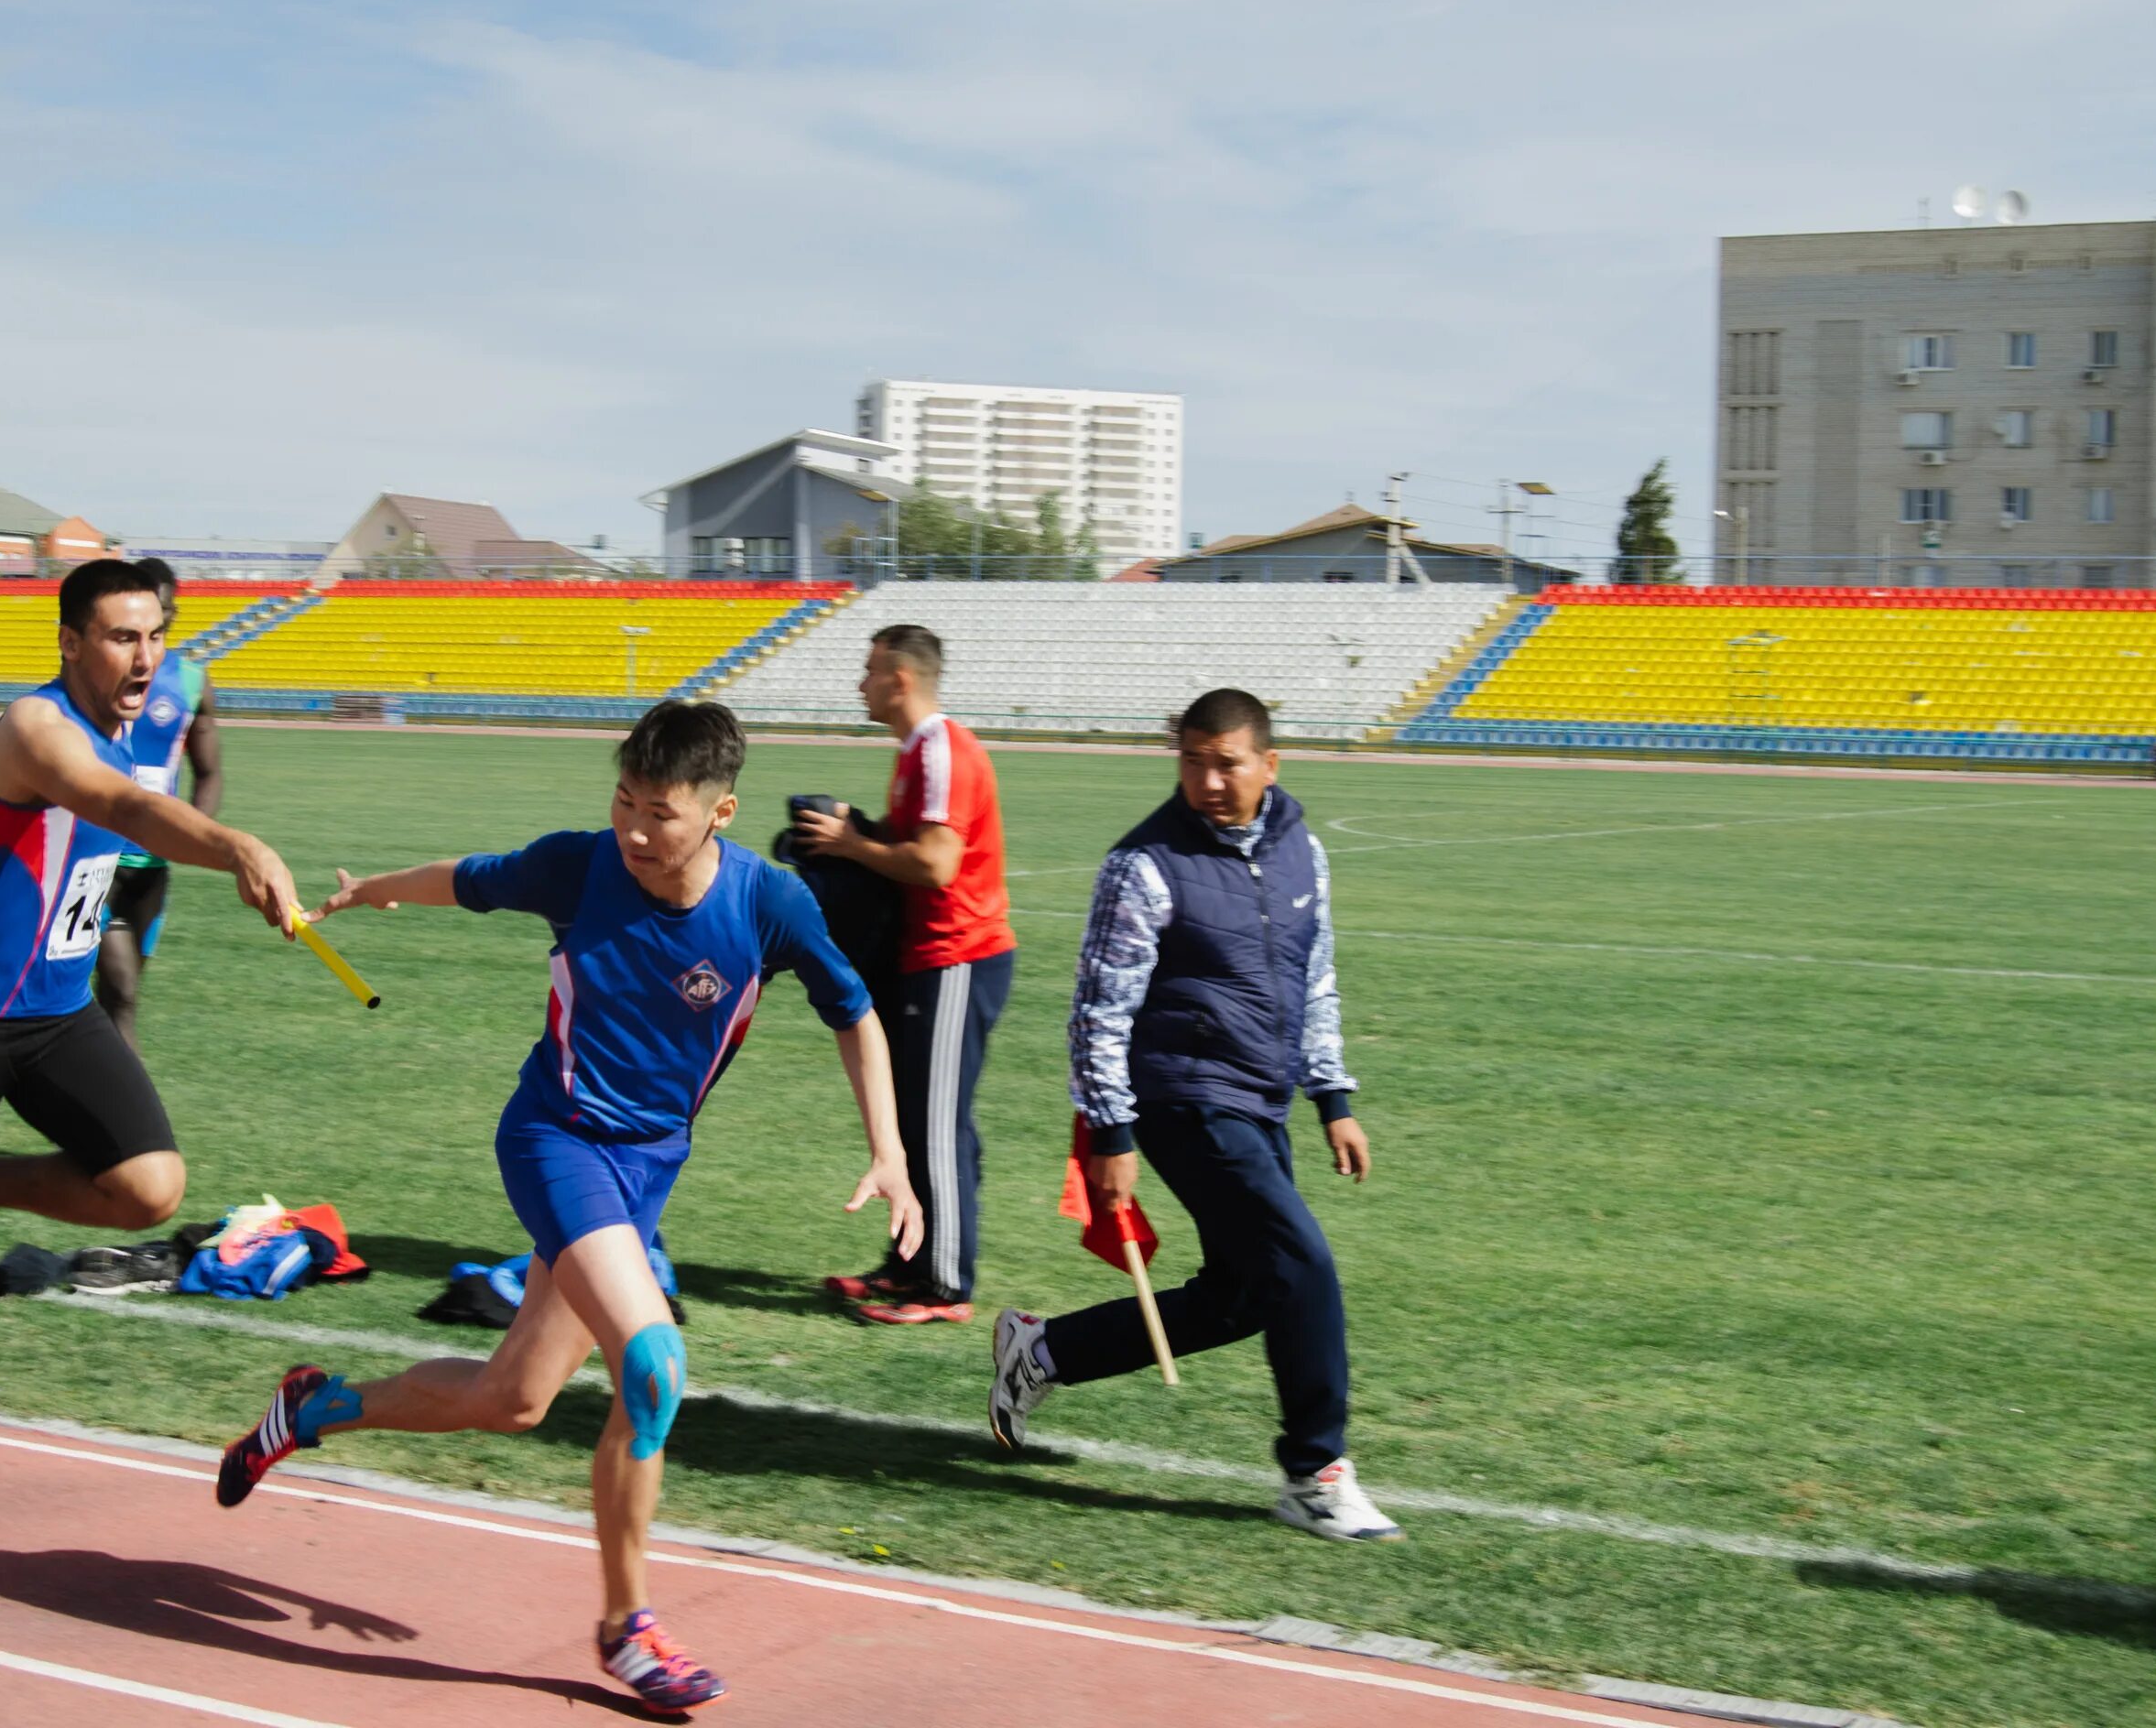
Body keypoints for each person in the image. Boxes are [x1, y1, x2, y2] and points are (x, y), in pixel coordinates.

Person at [212, 699, 920, 1716]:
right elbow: (465, 878)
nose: (635, 829)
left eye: (661, 814)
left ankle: (314, 1405)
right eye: (624, 800)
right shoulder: (581, 865)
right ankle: (627, 1627)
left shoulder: (772, 902)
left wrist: (889, 1150)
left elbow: (854, 1012)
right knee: (654, 1361)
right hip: (555, 1140)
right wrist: (364, 893)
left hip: (646, 1171)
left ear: (720, 811)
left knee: (513, 1398)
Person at [0, 558, 302, 1505]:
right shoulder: (37, 727)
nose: (145, 655)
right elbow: (119, 805)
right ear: (71, 642)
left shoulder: (127, 730)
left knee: (149, 1187)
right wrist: (236, 845)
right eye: (123, 637)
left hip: (55, 1011)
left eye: (156, 635)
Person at [986, 688, 1402, 1543]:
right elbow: (1097, 1009)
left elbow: (1314, 979)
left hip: (1262, 1098)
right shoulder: (1143, 864)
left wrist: (1334, 1099)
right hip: (1181, 1099)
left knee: (1244, 1295)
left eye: (1227, 763)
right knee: (1303, 1266)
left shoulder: (1302, 853)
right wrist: (1109, 1133)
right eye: (1192, 761)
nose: (1208, 781)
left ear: (1269, 765)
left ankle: (1044, 1352)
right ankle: (1315, 1473)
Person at [796, 624, 1015, 1324]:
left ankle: (943, 1286)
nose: (859, 683)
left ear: (900, 679)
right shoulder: (917, 752)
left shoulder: (942, 748)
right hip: (928, 958)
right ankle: (908, 1266)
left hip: (959, 956)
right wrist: (854, 830)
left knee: (936, 1124)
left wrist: (850, 843)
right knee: (918, 1120)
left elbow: (937, 864)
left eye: (868, 671)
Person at [95, 557, 222, 1050]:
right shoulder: (97, 674)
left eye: (163, 613)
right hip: (95, 860)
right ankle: (120, 1123)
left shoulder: (193, 684)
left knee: (120, 998)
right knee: (119, 992)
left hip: (152, 868)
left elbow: (209, 772)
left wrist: (193, 832)